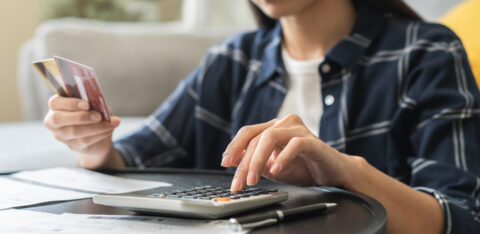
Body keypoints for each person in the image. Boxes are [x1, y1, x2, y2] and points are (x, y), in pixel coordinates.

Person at [43, 0, 480, 233]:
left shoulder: (426, 52)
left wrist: (347, 172)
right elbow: (133, 159)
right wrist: (96, 146)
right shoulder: (233, 61)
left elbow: (458, 220)